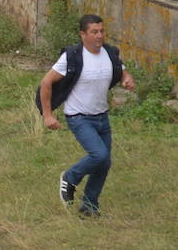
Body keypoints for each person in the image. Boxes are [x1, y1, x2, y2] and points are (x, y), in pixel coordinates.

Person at [38, 14, 135, 217]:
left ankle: (89, 207)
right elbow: (46, 83)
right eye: (94, 32)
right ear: (83, 35)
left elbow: (121, 71)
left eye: (102, 31)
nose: (99, 36)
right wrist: (48, 115)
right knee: (99, 155)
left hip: (102, 117)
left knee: (104, 162)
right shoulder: (72, 56)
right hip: (79, 117)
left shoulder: (110, 53)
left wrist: (126, 79)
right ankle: (70, 177)